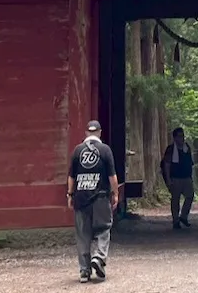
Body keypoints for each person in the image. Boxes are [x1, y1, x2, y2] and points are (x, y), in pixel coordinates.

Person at [68, 120, 118, 284]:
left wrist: (70, 195)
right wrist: (115, 193)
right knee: (104, 229)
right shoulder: (105, 150)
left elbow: (71, 176)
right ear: (100, 133)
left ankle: (84, 271)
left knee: (83, 235)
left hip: (81, 198)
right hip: (100, 198)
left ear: (86, 133)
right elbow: (112, 176)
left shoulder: (77, 151)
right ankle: (99, 257)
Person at [161, 126, 195, 229]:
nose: (182, 138)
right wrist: (168, 179)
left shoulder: (186, 148)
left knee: (190, 196)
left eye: (183, 136)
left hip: (186, 177)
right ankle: (175, 220)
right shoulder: (170, 149)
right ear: (175, 138)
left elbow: (190, 163)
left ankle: (183, 216)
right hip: (175, 178)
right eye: (180, 136)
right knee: (175, 199)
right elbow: (166, 165)